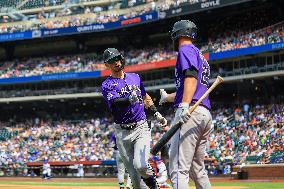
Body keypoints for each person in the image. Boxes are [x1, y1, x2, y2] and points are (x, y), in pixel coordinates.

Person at [101, 48, 168, 189]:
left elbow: (145, 97)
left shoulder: (135, 77)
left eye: (118, 58)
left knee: (141, 165)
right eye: (112, 61)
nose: (117, 62)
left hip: (140, 126)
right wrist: (128, 99)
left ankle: (154, 187)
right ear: (107, 65)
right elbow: (114, 102)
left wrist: (156, 113)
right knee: (135, 182)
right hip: (122, 132)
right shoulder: (107, 84)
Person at [159, 20, 213, 189]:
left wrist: (183, 105)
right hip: (204, 113)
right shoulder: (199, 54)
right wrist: (168, 97)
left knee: (177, 167)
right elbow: (191, 86)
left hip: (191, 112)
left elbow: (190, 78)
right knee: (197, 169)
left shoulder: (186, 49)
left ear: (177, 34)